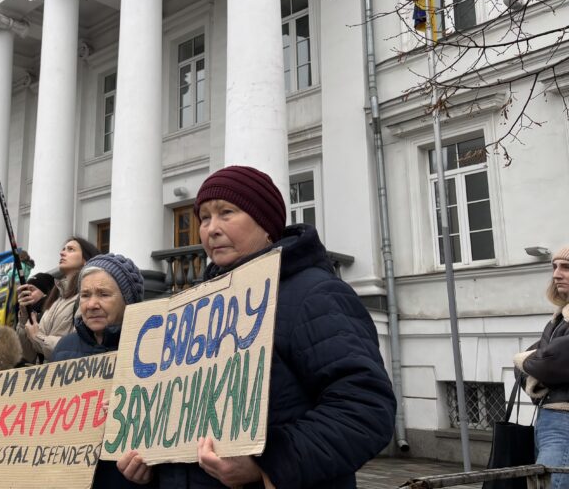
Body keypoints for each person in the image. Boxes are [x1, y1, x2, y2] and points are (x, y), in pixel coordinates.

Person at [116, 165, 395, 489]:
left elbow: (365, 409)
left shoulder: (315, 294)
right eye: (204, 218)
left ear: (266, 225)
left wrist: (266, 466)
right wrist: (152, 464)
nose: (211, 229)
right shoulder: (195, 308)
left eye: (227, 213)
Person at [52, 254, 151, 488]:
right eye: (85, 295)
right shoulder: (63, 348)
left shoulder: (149, 349)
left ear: (128, 300)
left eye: (104, 294)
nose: (91, 304)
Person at [514, 246, 569, 488]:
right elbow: (542, 359)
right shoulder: (560, 318)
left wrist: (524, 360)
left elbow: (548, 362)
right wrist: (531, 364)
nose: (556, 274)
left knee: (551, 484)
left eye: (566, 267)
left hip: (563, 419)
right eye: (554, 267)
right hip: (551, 416)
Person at [16, 237, 100, 363]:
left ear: (85, 260)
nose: (62, 253)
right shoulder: (54, 301)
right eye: (63, 249)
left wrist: (38, 337)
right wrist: (24, 319)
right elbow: (28, 356)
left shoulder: (86, 300)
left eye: (71, 249)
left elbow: (78, 348)